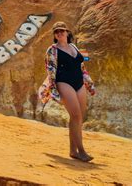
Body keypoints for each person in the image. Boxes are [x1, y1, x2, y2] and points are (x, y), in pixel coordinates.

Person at [38, 21, 96, 162]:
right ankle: (81, 151)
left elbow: (81, 67)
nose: (59, 33)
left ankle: (73, 151)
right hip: (64, 82)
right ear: (55, 35)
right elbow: (50, 70)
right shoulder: (52, 50)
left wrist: (89, 83)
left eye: (62, 31)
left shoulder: (74, 47)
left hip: (78, 83)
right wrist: (53, 89)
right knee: (75, 115)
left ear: (67, 32)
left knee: (78, 117)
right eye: (56, 32)